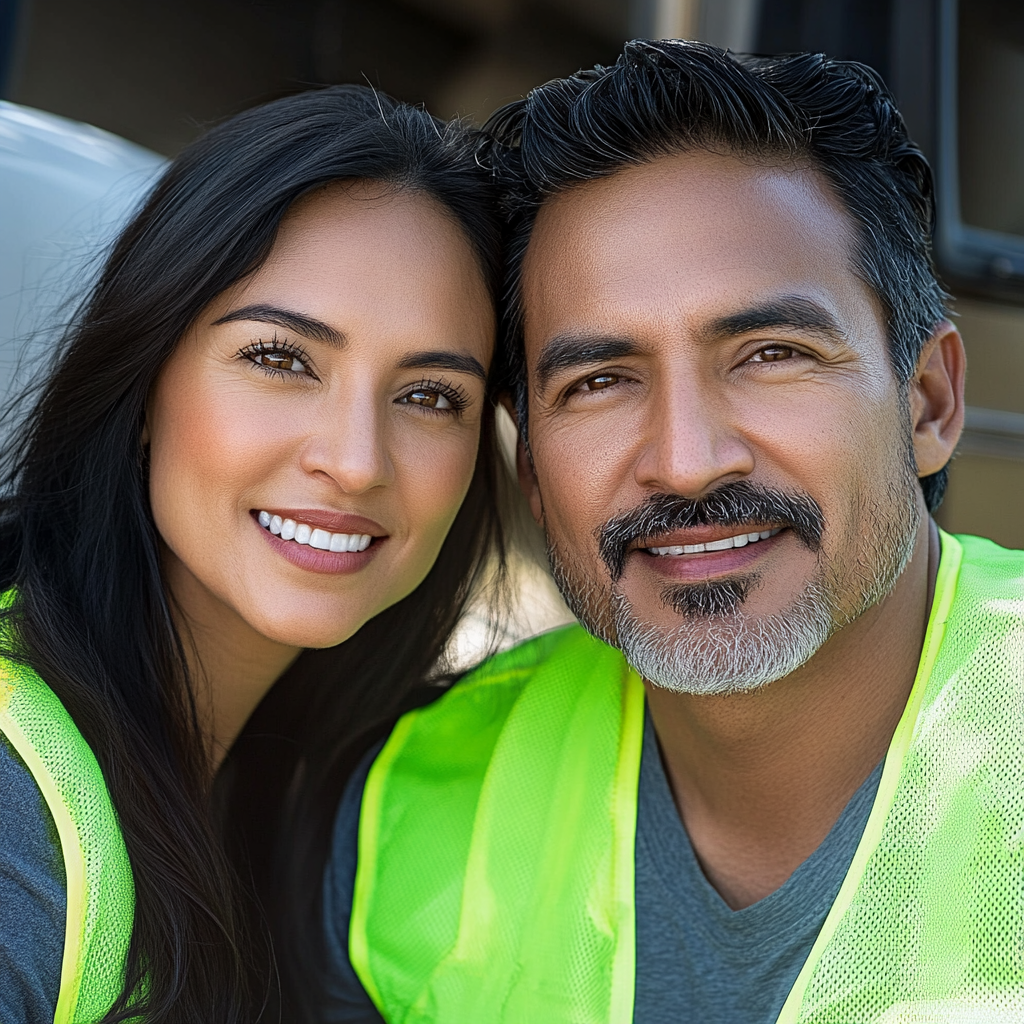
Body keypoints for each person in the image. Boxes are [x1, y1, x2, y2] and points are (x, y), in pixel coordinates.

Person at [321, 40, 1024, 1024]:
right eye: (600, 381)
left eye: (771, 353)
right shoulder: (415, 804)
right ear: (530, 469)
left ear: (928, 402)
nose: (686, 459)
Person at [0, 84, 507, 1023]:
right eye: (281, 358)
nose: (355, 462)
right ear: (145, 379)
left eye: (432, 396)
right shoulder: (16, 812)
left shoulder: (350, 817)